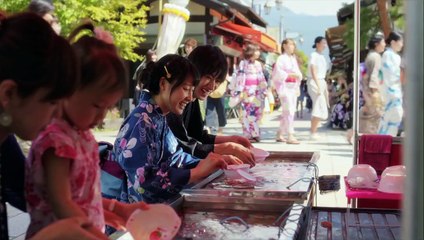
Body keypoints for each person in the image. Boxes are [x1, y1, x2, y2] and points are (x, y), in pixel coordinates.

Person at [25, 22, 146, 238]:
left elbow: (84, 197)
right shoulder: (55, 140)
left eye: (108, 108)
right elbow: (62, 205)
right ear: (68, 86)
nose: (101, 117)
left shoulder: (81, 135)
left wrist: (116, 210)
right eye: (97, 106)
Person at [0, 12, 102, 240]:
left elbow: (43, 196)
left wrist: (113, 207)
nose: (58, 115)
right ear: (9, 94)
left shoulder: (5, 147)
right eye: (52, 102)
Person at [113, 54, 242, 204]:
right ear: (163, 84)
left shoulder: (157, 117)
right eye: (186, 89)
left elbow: (176, 157)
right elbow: (143, 182)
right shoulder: (141, 122)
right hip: (134, 218)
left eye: (191, 90)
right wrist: (196, 172)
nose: (190, 97)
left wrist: (209, 162)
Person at [167, 45, 254, 164]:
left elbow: (197, 136)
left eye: (217, 81)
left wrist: (232, 140)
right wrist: (227, 148)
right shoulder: (173, 101)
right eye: (208, 77)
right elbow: (180, 146)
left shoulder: (192, 98)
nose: (212, 87)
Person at [231, 44, 268, 142]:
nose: (258, 53)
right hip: (246, 91)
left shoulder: (258, 64)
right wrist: (240, 90)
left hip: (256, 91)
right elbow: (240, 77)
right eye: (256, 50)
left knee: (256, 113)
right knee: (246, 113)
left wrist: (264, 90)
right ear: (251, 52)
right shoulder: (243, 63)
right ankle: (248, 134)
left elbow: (261, 78)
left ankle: (255, 133)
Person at [272, 39, 302, 144]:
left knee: (288, 111)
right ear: (284, 46)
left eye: (293, 44)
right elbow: (278, 73)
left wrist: (297, 76)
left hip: (293, 86)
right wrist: (290, 75)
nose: (292, 46)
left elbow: (298, 72)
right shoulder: (281, 58)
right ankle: (290, 134)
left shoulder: (293, 58)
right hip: (284, 86)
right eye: (290, 44)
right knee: (289, 110)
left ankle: (280, 133)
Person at [359, 33, 386, 134]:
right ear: (376, 44)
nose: (384, 44)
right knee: (375, 119)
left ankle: (353, 133)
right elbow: (374, 75)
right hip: (373, 92)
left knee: (369, 117)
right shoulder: (376, 57)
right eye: (383, 42)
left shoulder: (370, 56)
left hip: (368, 92)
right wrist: (375, 93)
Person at [378, 32, 404, 136]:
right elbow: (389, 74)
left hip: (395, 91)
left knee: (396, 117)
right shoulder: (387, 54)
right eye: (401, 42)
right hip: (390, 91)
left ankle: (388, 140)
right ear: (393, 42)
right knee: (390, 117)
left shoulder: (396, 56)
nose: (402, 44)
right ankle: (383, 141)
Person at [307, 36, 329, 140]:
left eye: (325, 43)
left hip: (321, 81)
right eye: (323, 43)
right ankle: (313, 131)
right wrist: (318, 85)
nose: (325, 45)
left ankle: (313, 130)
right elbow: (313, 71)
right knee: (319, 104)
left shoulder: (322, 56)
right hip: (315, 81)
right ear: (317, 44)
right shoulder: (314, 55)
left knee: (321, 105)